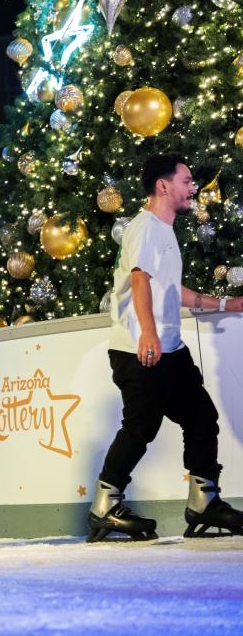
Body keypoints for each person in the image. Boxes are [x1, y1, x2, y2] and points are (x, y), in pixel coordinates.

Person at [89, 154, 243, 542]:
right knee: (141, 426)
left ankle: (203, 502)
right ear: (163, 186)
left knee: (201, 418)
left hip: (169, 350)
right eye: (187, 181)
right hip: (140, 350)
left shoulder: (164, 231)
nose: (193, 188)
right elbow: (140, 281)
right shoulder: (145, 227)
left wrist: (224, 304)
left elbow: (173, 292)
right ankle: (105, 506)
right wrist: (148, 334)